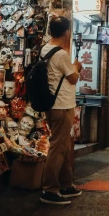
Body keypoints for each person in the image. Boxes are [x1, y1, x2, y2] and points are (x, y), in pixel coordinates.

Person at [40, 16, 83, 205]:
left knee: (64, 145)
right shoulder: (61, 54)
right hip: (61, 105)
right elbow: (73, 78)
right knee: (58, 146)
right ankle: (49, 189)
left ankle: (66, 184)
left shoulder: (45, 50)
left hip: (54, 104)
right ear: (66, 32)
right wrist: (77, 67)